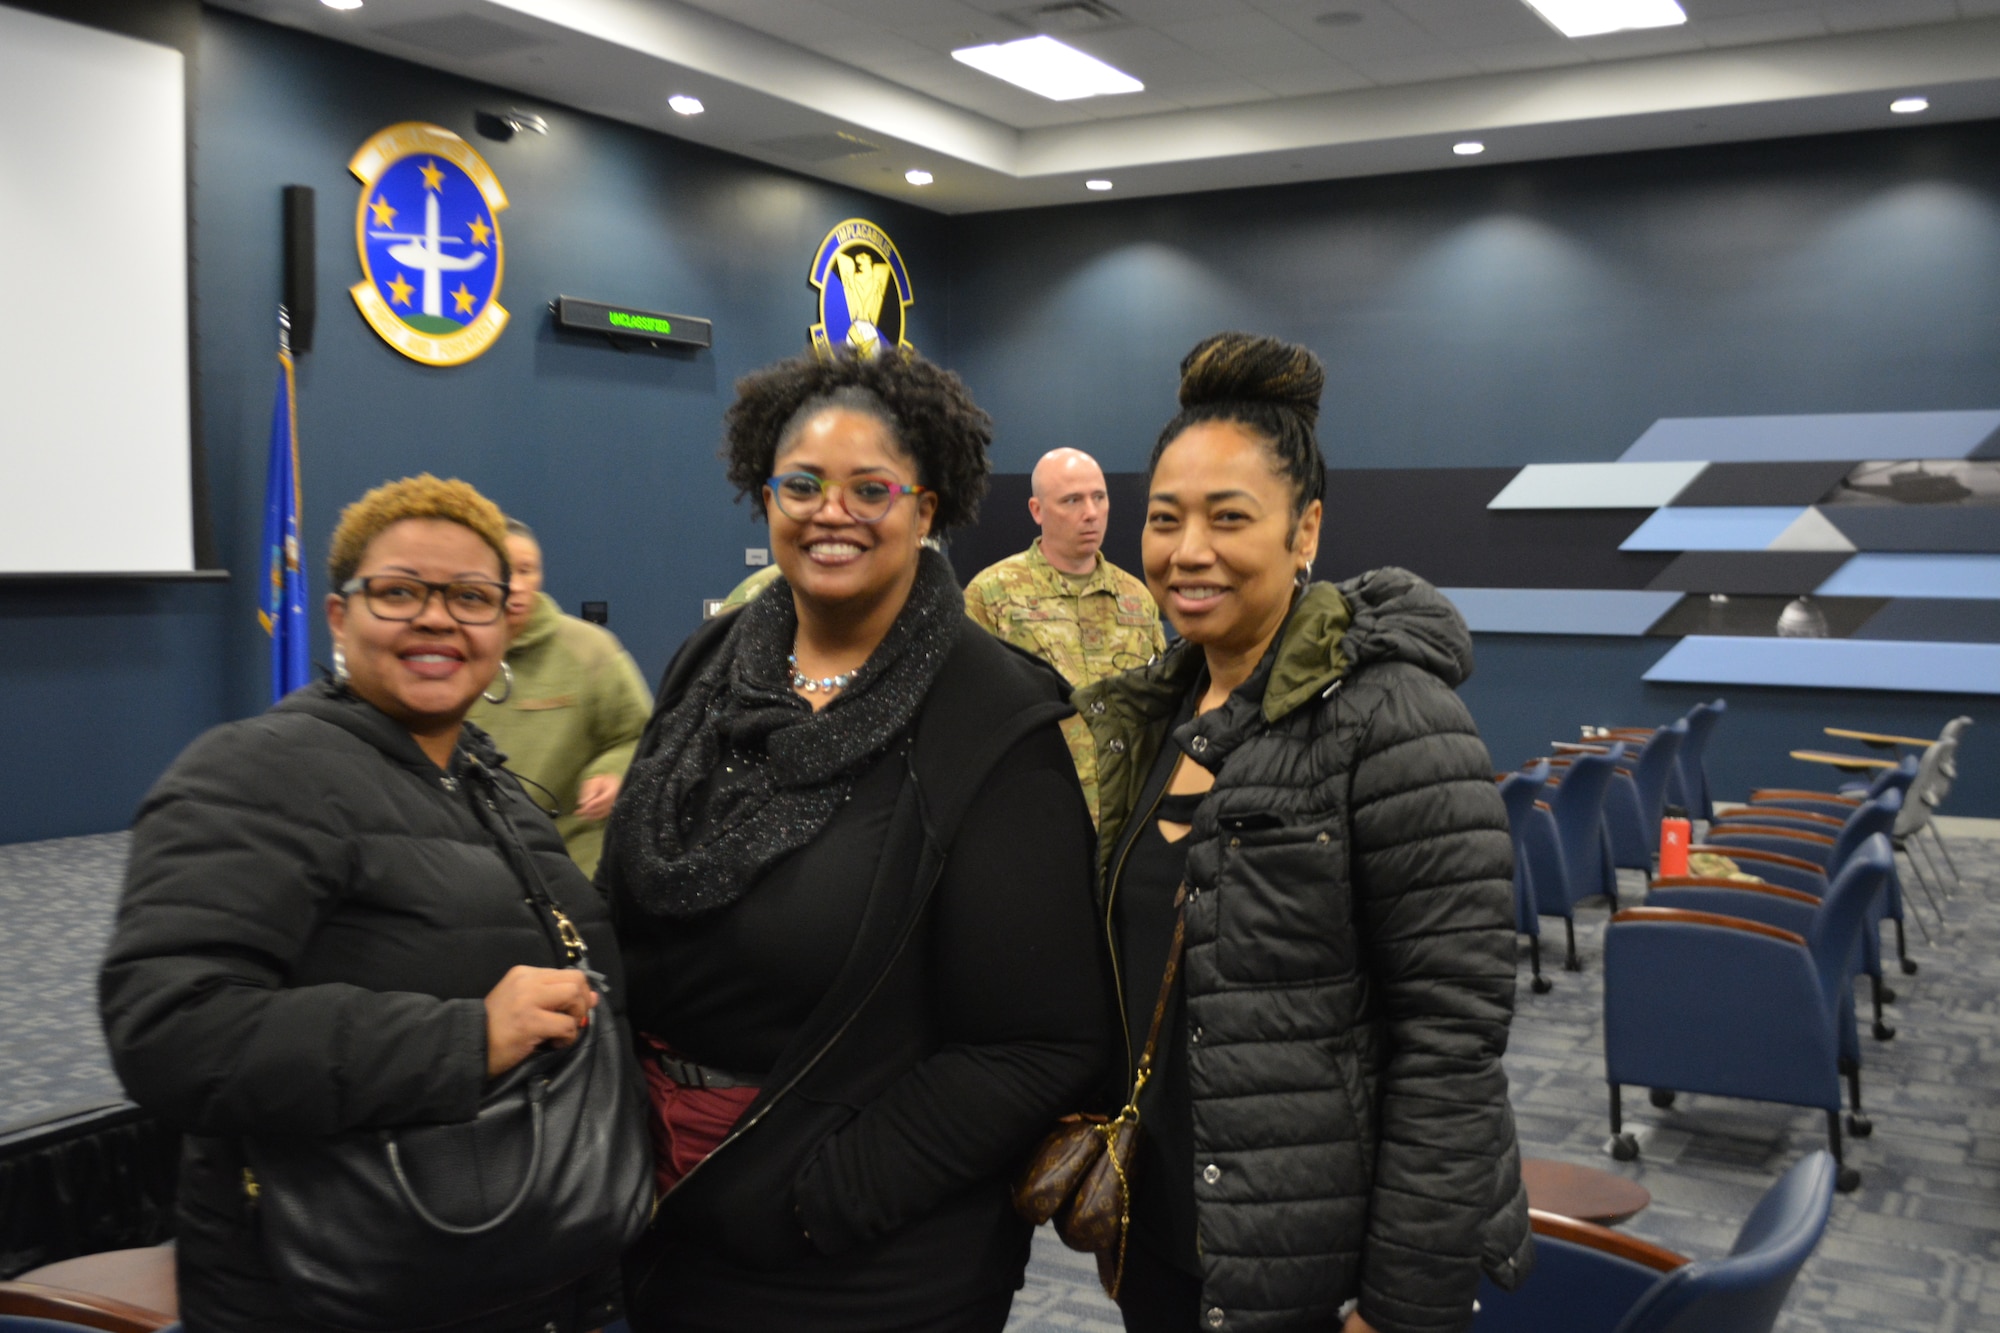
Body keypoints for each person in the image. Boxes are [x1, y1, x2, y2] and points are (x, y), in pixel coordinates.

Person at [600, 349, 1112, 1333]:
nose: (829, 511)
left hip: (861, 1261)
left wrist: (811, 1196)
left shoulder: (991, 718)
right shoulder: (711, 660)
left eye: (869, 487)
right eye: (801, 484)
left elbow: (1039, 1042)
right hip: (664, 1211)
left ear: (927, 507)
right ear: (764, 495)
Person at [99, 475, 628, 1333]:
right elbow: (171, 1027)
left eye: (470, 597)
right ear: (340, 618)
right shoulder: (255, 771)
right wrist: (464, 1038)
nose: (437, 617)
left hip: (517, 1274)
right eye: (399, 592)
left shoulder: (489, 782)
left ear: (505, 625)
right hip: (327, 1292)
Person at [1078, 334, 1531, 1333]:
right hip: (1170, 1241)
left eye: (1227, 517)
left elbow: (1449, 1045)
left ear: (1306, 528)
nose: (1186, 549)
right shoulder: (1154, 716)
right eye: (1163, 519)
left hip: (1320, 1275)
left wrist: (1402, 1302)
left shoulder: (1395, 721)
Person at [964, 448, 1166, 818]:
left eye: (1099, 497)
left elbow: (1162, 705)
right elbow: (967, 718)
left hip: (1128, 810)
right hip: (1034, 810)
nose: (1090, 513)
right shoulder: (991, 595)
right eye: (1072, 500)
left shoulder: (1137, 597)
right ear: (1036, 510)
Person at [470, 518, 653, 877]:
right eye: (504, 571)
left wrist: (613, 773)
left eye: (527, 570)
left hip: (572, 865)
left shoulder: (590, 650)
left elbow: (640, 736)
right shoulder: (450, 653)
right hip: (474, 865)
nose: (517, 586)